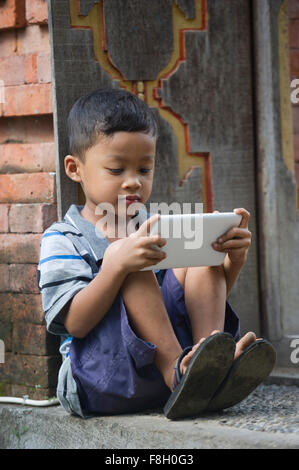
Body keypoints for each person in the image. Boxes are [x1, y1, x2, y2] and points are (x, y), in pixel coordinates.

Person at [38, 88, 276, 419]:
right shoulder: (63, 238)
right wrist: (115, 267)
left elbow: (187, 303)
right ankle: (178, 371)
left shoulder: (155, 227)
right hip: (96, 378)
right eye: (117, 170)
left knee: (198, 254)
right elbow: (74, 325)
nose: (133, 182)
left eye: (144, 170)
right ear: (75, 168)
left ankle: (207, 365)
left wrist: (229, 262)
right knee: (129, 258)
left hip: (154, 370)